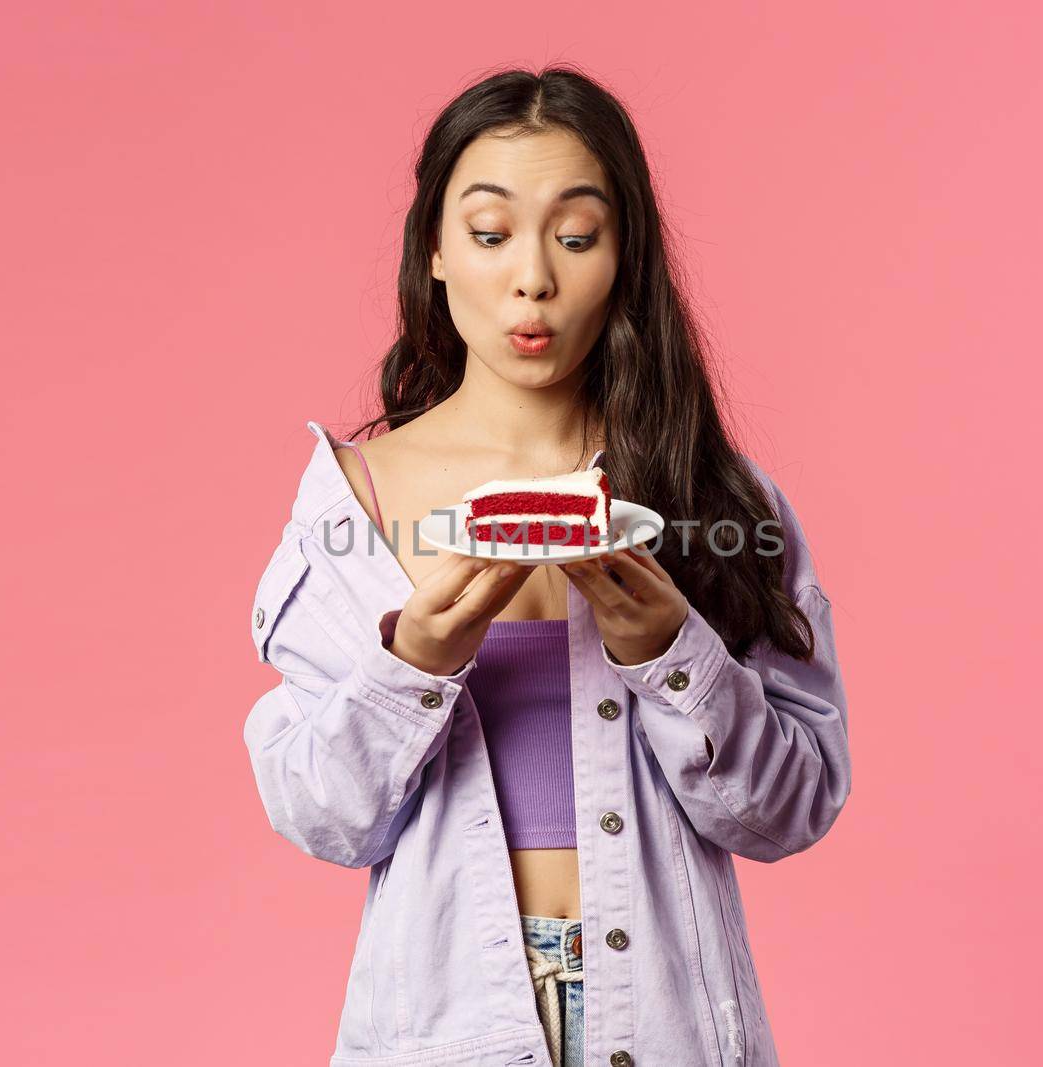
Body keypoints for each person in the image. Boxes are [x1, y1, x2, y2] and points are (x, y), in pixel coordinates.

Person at [243, 65, 852, 1067]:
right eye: (489, 235)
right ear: (434, 252)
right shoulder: (352, 500)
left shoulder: (714, 498)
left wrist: (669, 649)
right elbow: (324, 817)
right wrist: (414, 664)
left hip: (665, 1024)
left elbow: (788, 810)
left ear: (625, 258)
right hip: (445, 1025)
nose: (533, 278)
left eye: (575, 237)